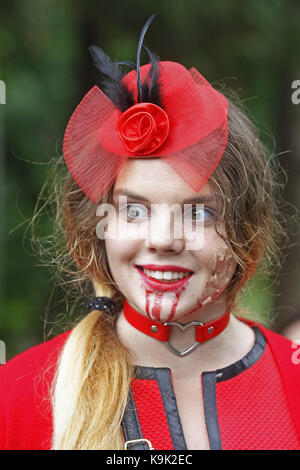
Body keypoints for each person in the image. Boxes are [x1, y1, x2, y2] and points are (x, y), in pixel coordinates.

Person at [1, 16, 300, 451]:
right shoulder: (17, 396)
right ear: (99, 228)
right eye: (134, 210)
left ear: (245, 226)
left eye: (198, 212)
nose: (162, 240)